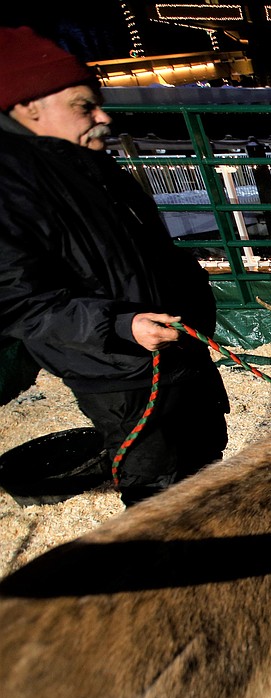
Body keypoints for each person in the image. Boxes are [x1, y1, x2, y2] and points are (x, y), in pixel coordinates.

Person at [0, 26, 229, 507]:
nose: (102, 116)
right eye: (84, 105)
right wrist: (123, 326)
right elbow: (20, 303)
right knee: (158, 490)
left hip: (179, 345)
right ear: (28, 106)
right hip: (120, 369)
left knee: (207, 463)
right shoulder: (9, 188)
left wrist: (188, 285)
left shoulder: (89, 159)